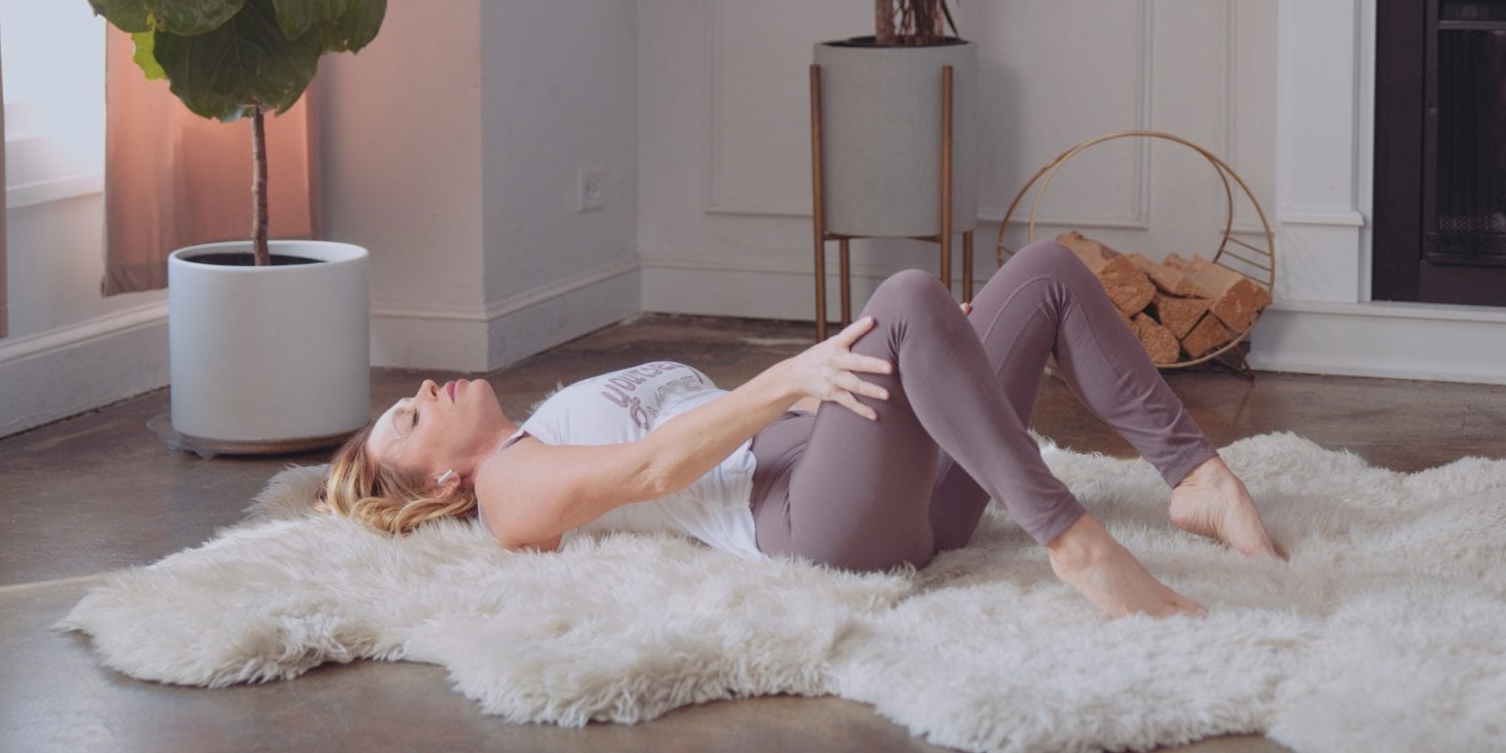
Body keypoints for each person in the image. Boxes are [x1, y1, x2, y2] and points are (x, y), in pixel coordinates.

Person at [318, 239, 1281, 619]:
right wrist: (789, 379)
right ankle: (1074, 544)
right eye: (409, 419)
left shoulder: (551, 416)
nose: (428, 389)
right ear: (439, 483)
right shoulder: (504, 490)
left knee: (1046, 272)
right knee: (903, 298)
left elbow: (719, 426)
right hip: (807, 525)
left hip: (852, 477)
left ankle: (1198, 479)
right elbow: (657, 469)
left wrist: (879, 379)